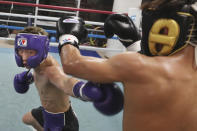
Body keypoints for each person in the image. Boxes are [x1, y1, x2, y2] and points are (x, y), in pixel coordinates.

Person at [55, 0, 197, 131]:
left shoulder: (134, 65)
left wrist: (67, 36)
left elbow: (73, 63)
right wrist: (133, 42)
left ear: (163, 29)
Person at [13, 26, 124, 131]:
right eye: (21, 51)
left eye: (30, 52)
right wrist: (30, 78)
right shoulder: (40, 62)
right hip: (46, 112)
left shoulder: (51, 70)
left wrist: (83, 90)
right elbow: (43, 77)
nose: (24, 57)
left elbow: (65, 82)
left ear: (42, 50)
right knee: (27, 118)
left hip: (63, 123)